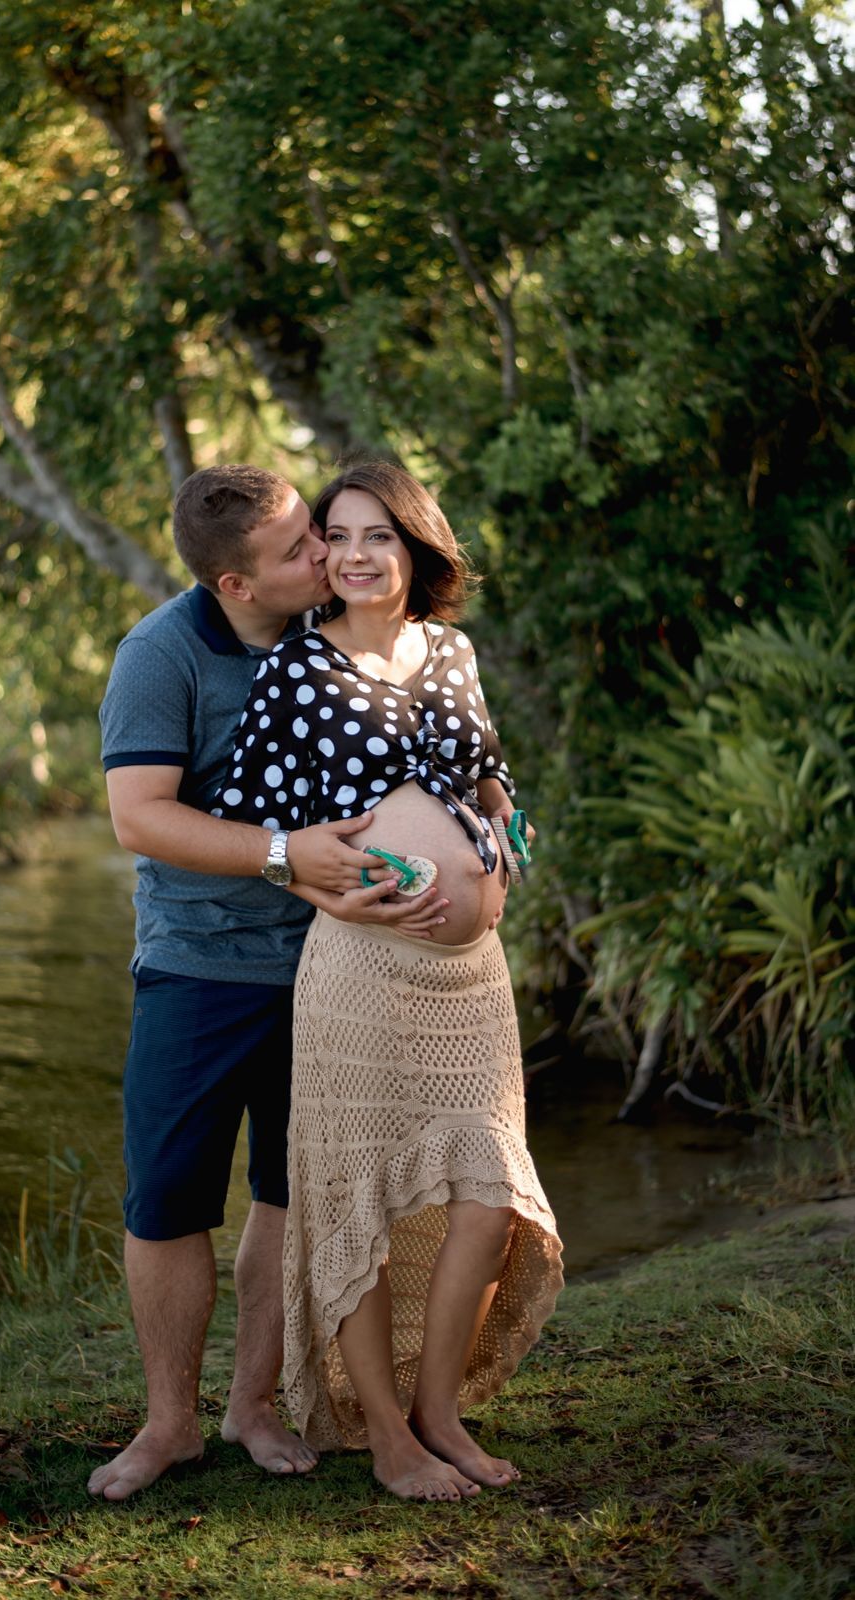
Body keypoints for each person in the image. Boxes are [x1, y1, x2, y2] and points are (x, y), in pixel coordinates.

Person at [91, 465, 453, 1502]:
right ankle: (169, 1425)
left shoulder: (332, 628)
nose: (328, 553)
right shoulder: (161, 655)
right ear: (236, 585)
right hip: (196, 968)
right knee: (169, 1201)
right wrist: (285, 853)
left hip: (334, 963)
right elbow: (139, 817)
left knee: (291, 1195)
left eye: (319, 531)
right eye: (302, 548)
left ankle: (251, 1405)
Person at [213, 461, 563, 1503]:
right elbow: (254, 826)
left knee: (488, 1197)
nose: (357, 554)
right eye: (340, 535)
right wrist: (330, 885)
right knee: (358, 1195)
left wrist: (504, 842)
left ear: (416, 547)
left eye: (379, 535)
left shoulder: (451, 651)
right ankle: (388, 1439)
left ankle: (438, 1412)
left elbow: (487, 773)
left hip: (472, 976)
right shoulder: (296, 669)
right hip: (360, 967)